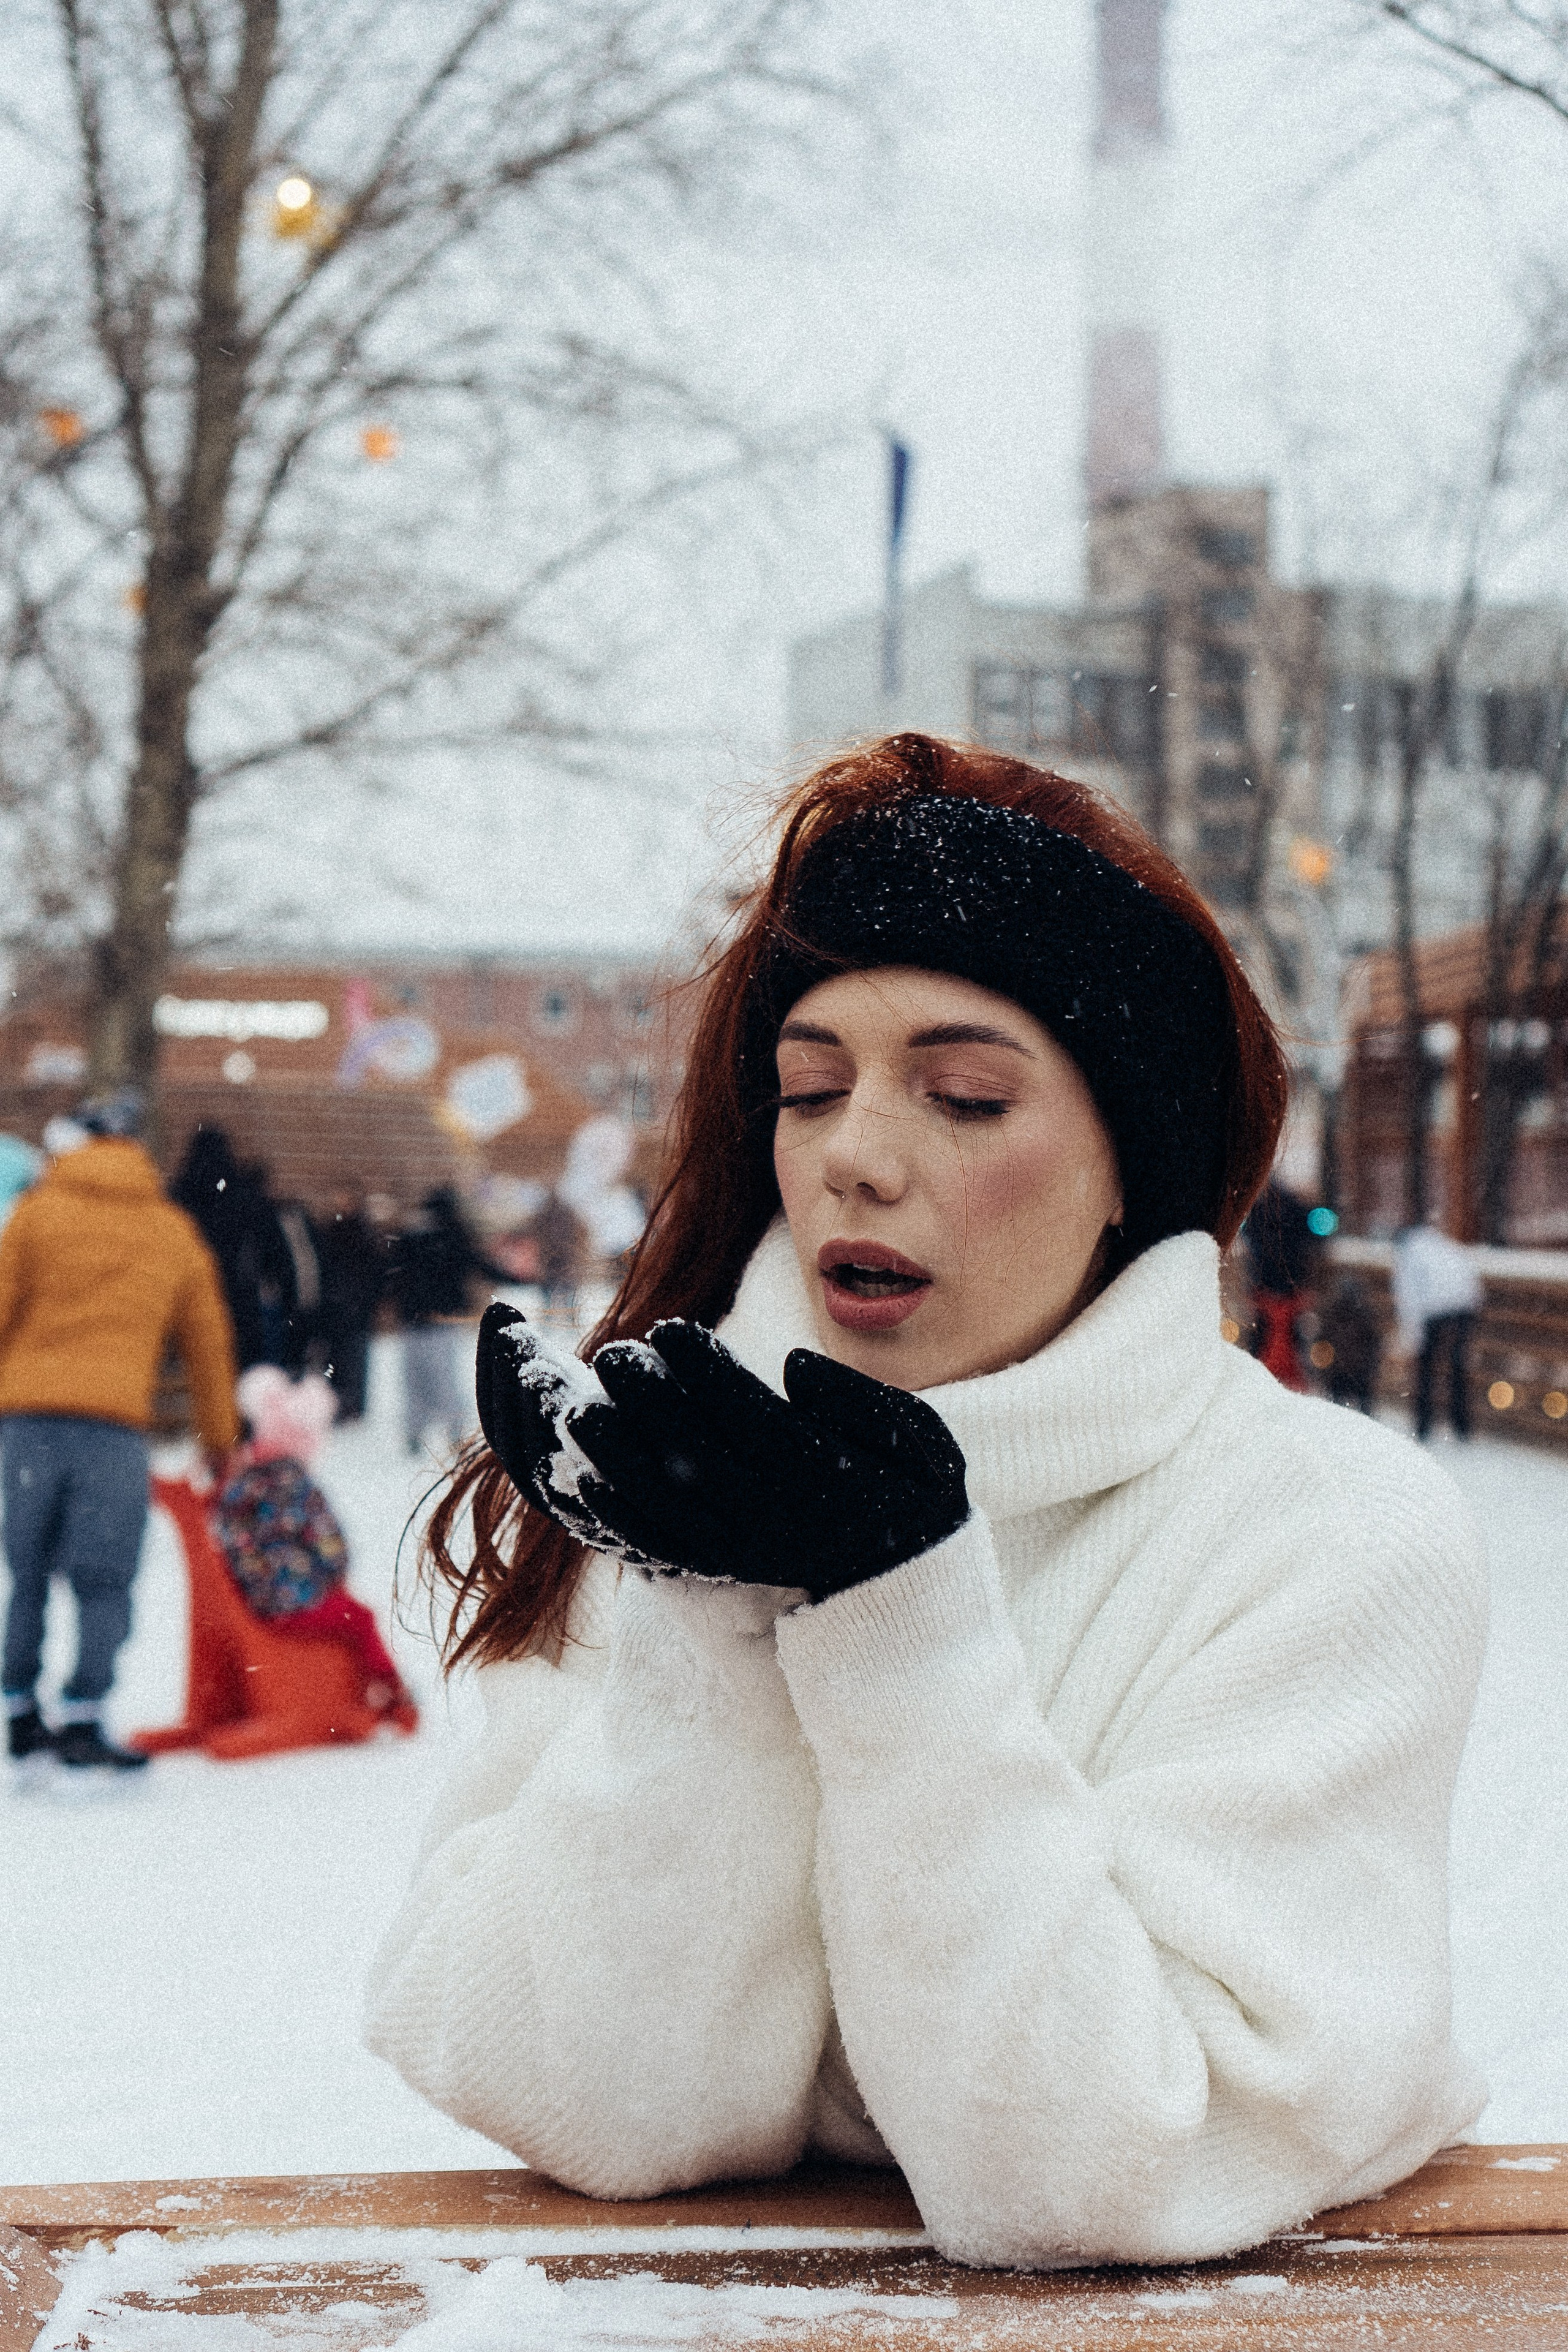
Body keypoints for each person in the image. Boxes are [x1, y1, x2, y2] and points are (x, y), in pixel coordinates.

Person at [366, 736, 1487, 2271]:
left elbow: (1098, 2166)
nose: (853, 1159)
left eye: (962, 1096)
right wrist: (717, 1617)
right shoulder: (683, 1467)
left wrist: (900, 1633)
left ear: (1124, 1162)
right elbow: (592, 2100)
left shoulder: (1328, 1532)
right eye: (808, 1088)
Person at [1, 1088, 239, 1776]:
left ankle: (18, 1708)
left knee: (27, 1572)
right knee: (104, 1579)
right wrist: (218, 1437)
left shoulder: (37, 1212)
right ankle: (84, 1713)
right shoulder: (171, 1230)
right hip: (113, 1429)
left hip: (27, 1424)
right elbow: (208, 1342)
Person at [170, 1128, 297, 1371]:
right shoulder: (241, 1194)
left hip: (188, 1291)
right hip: (237, 1296)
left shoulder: (182, 1192)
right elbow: (271, 1246)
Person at [385, 1186, 497, 1458]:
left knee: (415, 1380)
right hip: (442, 1319)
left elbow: (389, 1276)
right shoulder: (454, 1236)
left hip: (413, 1319)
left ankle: (417, 1431)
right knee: (443, 1378)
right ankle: (454, 1429)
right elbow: (480, 1265)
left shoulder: (410, 1238)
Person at [1393, 1221, 1483, 1441]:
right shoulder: (1446, 1246)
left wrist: (1413, 1337)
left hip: (1433, 1313)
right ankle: (1461, 1426)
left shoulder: (1408, 1256)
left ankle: (1424, 1426)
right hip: (1463, 1310)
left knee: (1426, 1371)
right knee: (1458, 1368)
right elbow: (1471, 1281)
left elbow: (1408, 1298)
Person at [315, 1191, 385, 1422]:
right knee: (339, 1357)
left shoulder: (361, 1233)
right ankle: (340, 1403)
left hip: (354, 1307)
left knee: (354, 1357)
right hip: (339, 1308)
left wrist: (369, 1300)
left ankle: (352, 1405)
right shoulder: (332, 1233)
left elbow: (375, 1271)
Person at [1242, 1176, 1316, 1391]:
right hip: (1289, 1287)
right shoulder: (1293, 1210)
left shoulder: (1260, 1213)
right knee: (1294, 1342)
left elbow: (1252, 1248)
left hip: (1267, 1288)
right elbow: (1309, 1241)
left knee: (1263, 1339)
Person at [1316, 1269, 1384, 1414]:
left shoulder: (1365, 1316)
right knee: (1336, 1411)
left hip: (1358, 1373)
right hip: (1340, 1372)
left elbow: (1374, 1345)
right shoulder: (1332, 1315)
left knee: (1363, 1413)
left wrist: (1371, 1368)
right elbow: (1322, 1343)